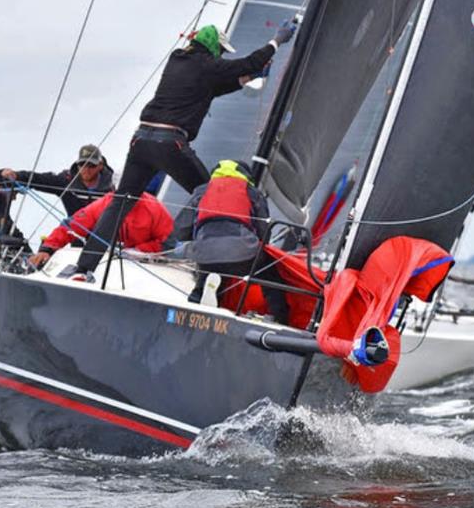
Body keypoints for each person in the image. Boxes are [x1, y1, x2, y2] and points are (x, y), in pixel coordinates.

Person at [74, 22, 297, 277]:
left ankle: (84, 267)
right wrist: (276, 42)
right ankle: (179, 248)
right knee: (211, 196)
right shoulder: (207, 65)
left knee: (120, 203)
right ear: (212, 47)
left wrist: (248, 77)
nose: (221, 56)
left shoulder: (178, 61)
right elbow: (246, 64)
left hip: (141, 141)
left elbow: (213, 87)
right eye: (220, 51)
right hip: (170, 142)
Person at [173, 159, 289, 324]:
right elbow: (264, 232)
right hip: (242, 252)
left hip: (206, 253)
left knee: (210, 274)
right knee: (270, 275)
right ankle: (280, 318)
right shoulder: (252, 192)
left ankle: (195, 303)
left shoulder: (202, 190)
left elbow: (180, 229)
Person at [28, 191, 173, 273]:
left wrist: (137, 251)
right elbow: (71, 226)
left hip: (145, 265)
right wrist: (47, 248)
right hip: (105, 264)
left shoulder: (153, 208)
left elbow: (168, 243)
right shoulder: (105, 204)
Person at [0, 144, 115, 216]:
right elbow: (40, 179)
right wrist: (17, 175)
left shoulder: (113, 184)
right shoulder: (66, 181)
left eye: (91, 165)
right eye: (82, 164)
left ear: (100, 165)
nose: (86, 169)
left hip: (107, 237)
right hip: (76, 235)